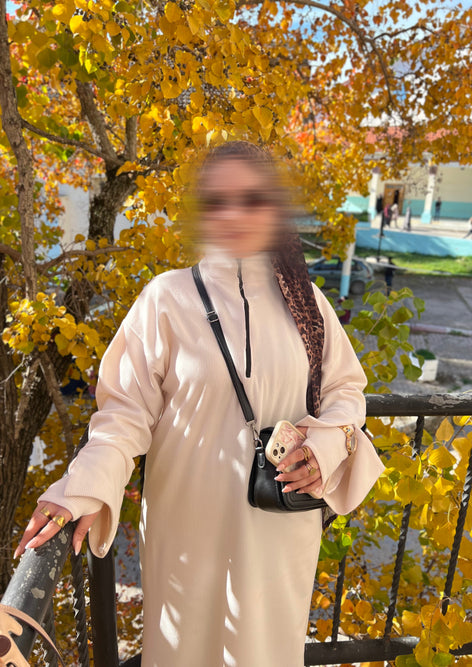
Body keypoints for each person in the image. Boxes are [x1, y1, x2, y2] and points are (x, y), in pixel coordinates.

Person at [16, 141, 384, 667]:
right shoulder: (165, 300)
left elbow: (345, 391)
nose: (234, 214)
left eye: (251, 199)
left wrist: (325, 447)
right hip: (186, 535)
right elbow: (123, 416)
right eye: (217, 201)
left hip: (279, 535)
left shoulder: (306, 302)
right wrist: (84, 488)